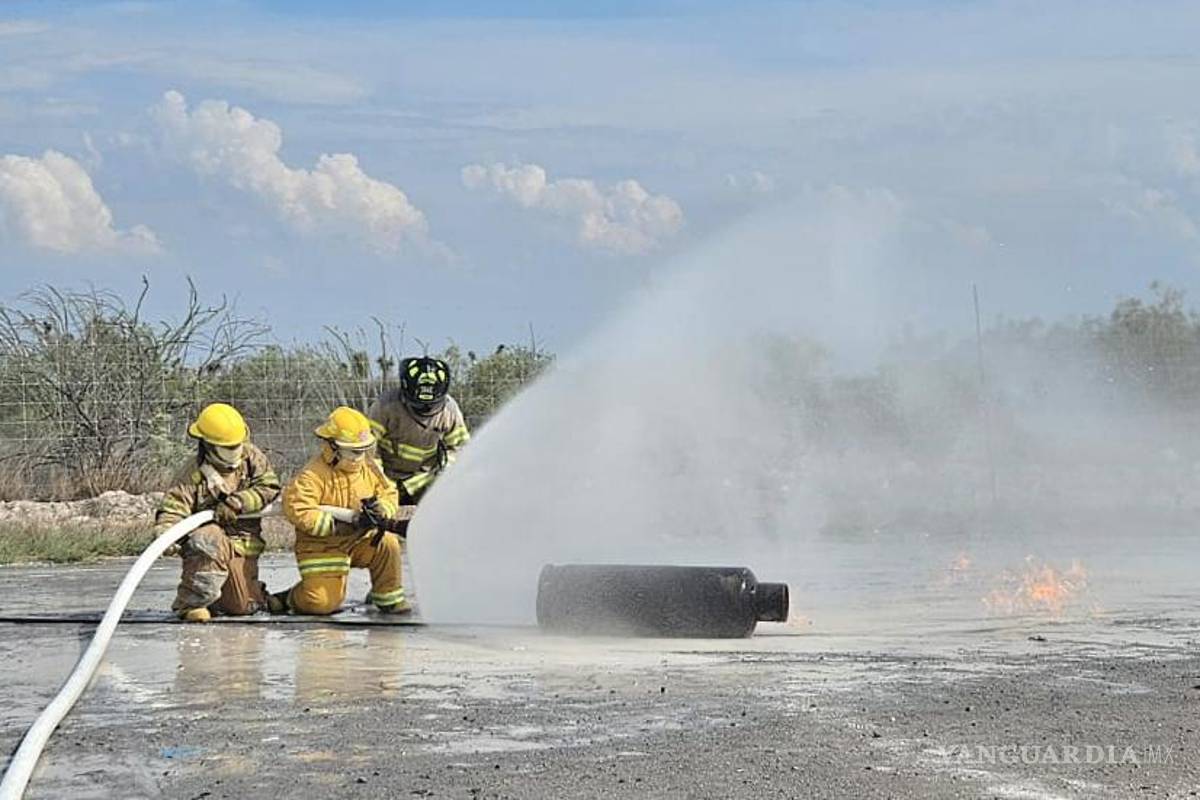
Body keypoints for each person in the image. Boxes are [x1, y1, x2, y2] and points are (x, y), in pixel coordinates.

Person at [276, 406, 409, 615]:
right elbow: (297, 506)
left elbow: (389, 491)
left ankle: (388, 599)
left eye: (364, 450)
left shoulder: (370, 468)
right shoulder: (313, 475)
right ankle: (288, 599)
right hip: (323, 546)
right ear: (333, 446)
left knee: (387, 543)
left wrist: (382, 509)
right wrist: (336, 526)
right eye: (354, 451)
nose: (360, 456)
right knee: (321, 604)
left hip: (360, 539)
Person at [155, 402, 281, 622]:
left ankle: (249, 594)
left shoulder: (252, 458)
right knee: (208, 537)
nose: (235, 452)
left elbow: (269, 487)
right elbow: (174, 508)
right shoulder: (192, 473)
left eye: (237, 445)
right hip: (208, 547)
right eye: (227, 447)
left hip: (244, 544)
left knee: (242, 606)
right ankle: (190, 604)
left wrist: (238, 502)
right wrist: (167, 534)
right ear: (208, 445)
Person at [367, 356, 470, 504]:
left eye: (430, 406)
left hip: (425, 480)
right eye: (418, 405)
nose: (424, 411)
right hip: (386, 479)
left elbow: (461, 448)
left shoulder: (449, 411)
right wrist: (381, 484)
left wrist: (443, 472)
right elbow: (368, 450)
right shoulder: (385, 407)